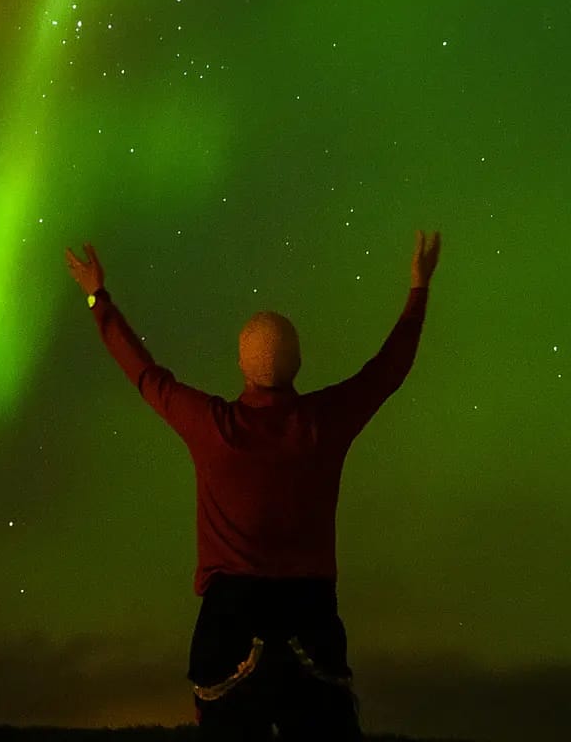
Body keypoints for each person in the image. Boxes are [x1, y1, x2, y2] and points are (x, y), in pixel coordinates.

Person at [66, 231, 441, 741]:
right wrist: (419, 289)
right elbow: (388, 369)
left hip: (229, 622)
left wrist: (97, 297)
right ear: (299, 363)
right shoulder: (322, 424)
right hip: (311, 617)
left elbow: (144, 374)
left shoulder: (212, 426)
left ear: (242, 365)